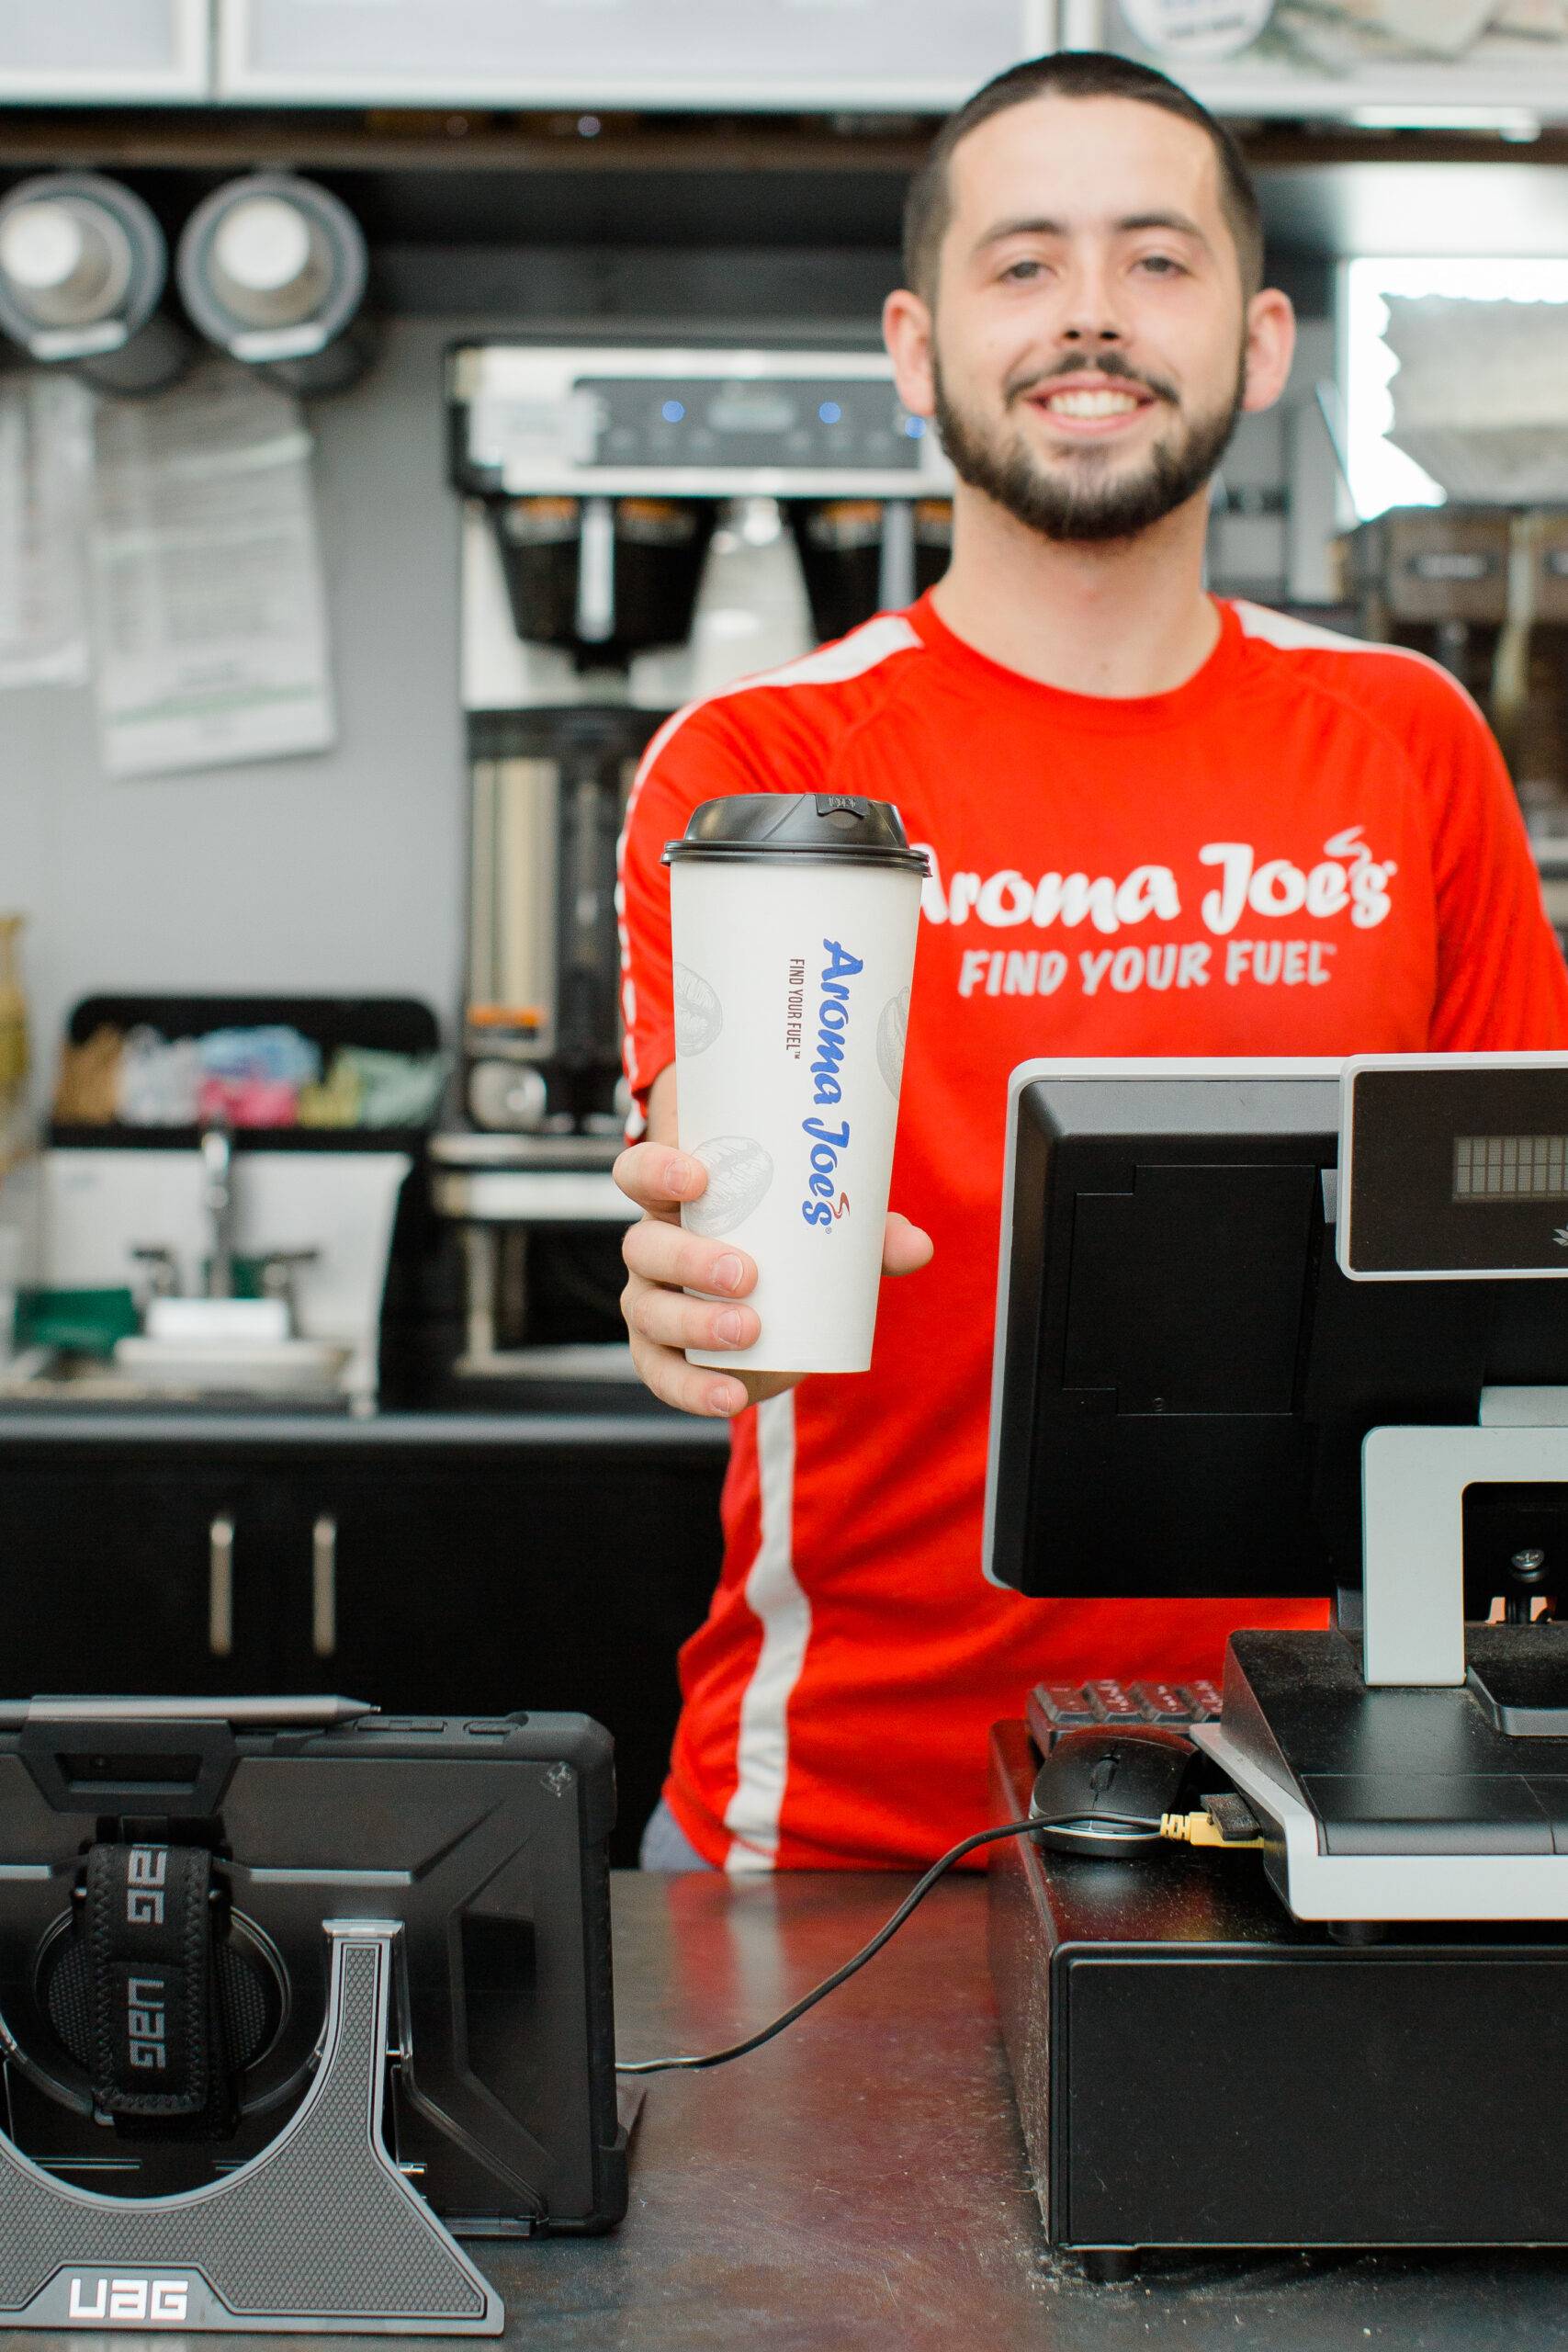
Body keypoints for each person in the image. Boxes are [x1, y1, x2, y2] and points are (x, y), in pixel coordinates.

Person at [615, 50, 1568, 1875]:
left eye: (1156, 259)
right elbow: (713, 1215)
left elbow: (1521, 1254)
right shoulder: (760, 774)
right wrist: (697, 1294)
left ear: (1261, 341)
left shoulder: (1406, 738)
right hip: (840, 1826)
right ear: (915, 347)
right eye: (1024, 261)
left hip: (1344, 1797)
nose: (1091, 315)